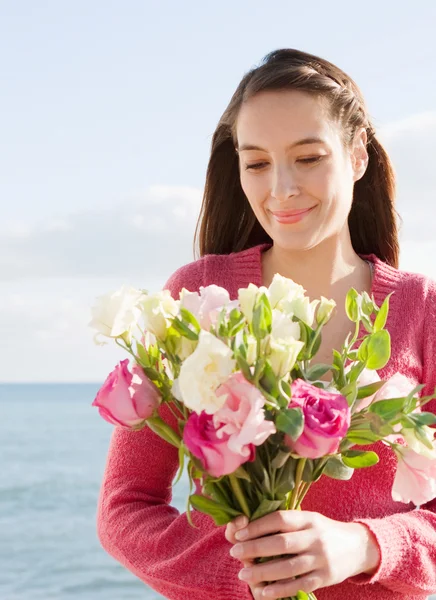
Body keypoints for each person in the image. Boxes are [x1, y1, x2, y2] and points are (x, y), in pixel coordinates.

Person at [96, 49, 436, 600]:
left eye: (307, 157)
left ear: (357, 157)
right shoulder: (196, 297)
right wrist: (254, 577)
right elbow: (124, 507)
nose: (280, 188)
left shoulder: (424, 308)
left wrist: (364, 546)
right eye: (256, 163)